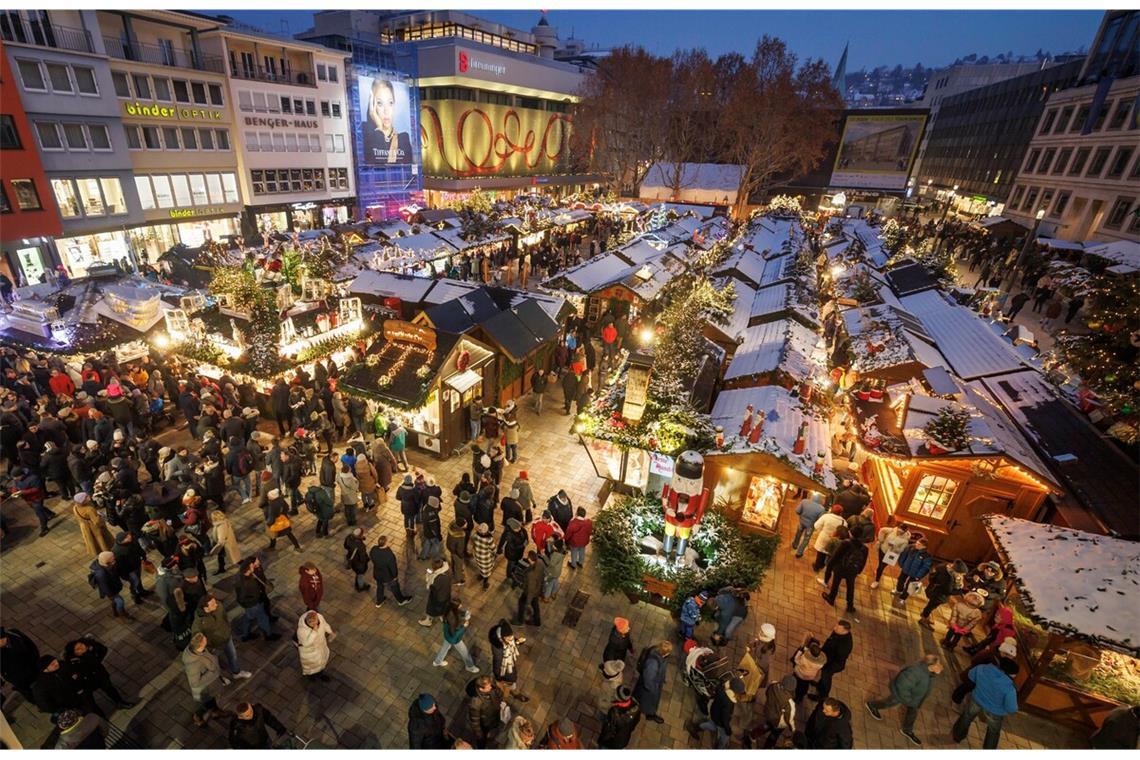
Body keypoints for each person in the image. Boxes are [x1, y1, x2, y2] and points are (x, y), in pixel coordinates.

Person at [865, 654, 943, 745]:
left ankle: (907, 729)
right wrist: (908, 700)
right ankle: (872, 705)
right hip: (903, 695)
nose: (940, 666)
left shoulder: (929, 673)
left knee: (912, 712)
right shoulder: (915, 672)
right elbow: (902, 685)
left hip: (914, 698)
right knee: (890, 702)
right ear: (931, 665)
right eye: (938, 664)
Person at [951, 658, 1019, 749]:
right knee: (993, 731)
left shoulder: (982, 668)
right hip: (995, 712)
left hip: (977, 699)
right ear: (1009, 673)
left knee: (966, 717)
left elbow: (971, 675)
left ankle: (957, 735)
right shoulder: (1009, 688)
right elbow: (1011, 708)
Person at [62, 636, 136, 710]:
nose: (82, 648)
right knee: (90, 701)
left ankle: (120, 702)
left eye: (81, 645)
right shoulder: (73, 662)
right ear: (74, 653)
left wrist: (94, 646)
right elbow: (83, 670)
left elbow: (103, 650)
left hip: (100, 675)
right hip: (87, 682)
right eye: (78, 649)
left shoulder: (91, 649)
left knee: (109, 689)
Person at [191, 595, 252, 683]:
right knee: (215, 664)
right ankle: (221, 678)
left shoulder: (218, 606)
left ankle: (236, 672)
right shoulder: (199, 624)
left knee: (233, 656)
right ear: (206, 608)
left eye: (215, 602)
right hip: (214, 646)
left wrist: (227, 629)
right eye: (212, 604)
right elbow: (198, 639)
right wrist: (210, 648)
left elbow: (224, 617)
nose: (216, 604)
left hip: (226, 638)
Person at [182, 633, 229, 728]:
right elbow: (195, 682)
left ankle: (215, 711)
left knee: (212, 700)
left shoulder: (199, 651)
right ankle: (198, 717)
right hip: (204, 690)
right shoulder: (193, 665)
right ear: (201, 644)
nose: (207, 640)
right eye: (205, 639)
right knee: (205, 705)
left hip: (209, 687)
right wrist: (212, 672)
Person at [362, 79, 413, 164]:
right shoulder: (364, 133)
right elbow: (377, 165)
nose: (386, 111)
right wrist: (379, 128)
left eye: (390, 103)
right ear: (372, 106)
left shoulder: (403, 139)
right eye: (380, 103)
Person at [822, 534, 869, 619]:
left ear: (851, 533)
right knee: (850, 586)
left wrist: (830, 565)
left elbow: (837, 555)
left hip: (841, 567)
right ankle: (850, 605)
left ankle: (831, 598)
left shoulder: (846, 543)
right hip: (852, 570)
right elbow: (863, 561)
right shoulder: (865, 548)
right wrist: (858, 571)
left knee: (836, 583)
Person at [690, 676, 744, 749]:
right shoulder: (728, 703)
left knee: (713, 726)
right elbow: (725, 718)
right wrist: (728, 730)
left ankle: (695, 727)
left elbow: (718, 688)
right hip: (719, 721)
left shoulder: (721, 690)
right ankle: (719, 748)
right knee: (725, 736)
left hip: (714, 713)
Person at [433, 600, 481, 673]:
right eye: (459, 605)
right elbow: (455, 632)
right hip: (454, 639)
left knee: (445, 648)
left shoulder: (447, 610)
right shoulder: (453, 619)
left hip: (447, 635)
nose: (461, 606)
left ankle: (437, 661)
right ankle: (470, 666)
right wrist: (464, 626)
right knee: (464, 652)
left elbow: (456, 613)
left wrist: (464, 614)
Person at [919, 559, 968, 629]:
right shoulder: (948, 577)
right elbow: (948, 591)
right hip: (938, 594)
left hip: (934, 590)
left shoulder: (945, 566)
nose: (962, 575)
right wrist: (961, 591)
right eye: (961, 573)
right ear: (956, 571)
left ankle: (925, 615)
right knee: (931, 606)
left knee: (931, 605)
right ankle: (923, 618)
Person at [633, 640, 671, 724]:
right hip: (650, 688)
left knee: (646, 701)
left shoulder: (657, 653)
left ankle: (648, 713)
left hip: (654, 683)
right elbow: (648, 679)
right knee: (647, 702)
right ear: (665, 653)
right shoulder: (653, 663)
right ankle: (649, 714)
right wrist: (654, 688)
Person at [489, 619, 528, 702]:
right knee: (506, 689)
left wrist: (518, 642)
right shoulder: (498, 650)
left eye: (511, 635)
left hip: (510, 669)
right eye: (509, 637)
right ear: (502, 637)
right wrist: (498, 678)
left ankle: (514, 692)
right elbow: (497, 665)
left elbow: (512, 644)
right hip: (505, 674)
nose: (512, 638)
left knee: (513, 682)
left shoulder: (507, 640)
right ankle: (504, 701)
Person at [369, 535, 413, 607]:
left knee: (380, 587)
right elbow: (393, 567)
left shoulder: (374, 549)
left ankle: (379, 601)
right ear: (385, 543)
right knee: (395, 587)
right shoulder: (389, 555)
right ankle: (400, 600)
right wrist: (395, 576)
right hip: (388, 576)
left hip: (378, 574)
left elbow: (372, 557)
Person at [0, 627, 41, 701]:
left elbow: (31, 647)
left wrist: (37, 662)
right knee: (28, 692)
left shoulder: (14, 634)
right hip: (19, 679)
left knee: (41, 683)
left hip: (32, 667)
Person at [465, 675, 505, 749]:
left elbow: (500, 694)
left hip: (495, 715)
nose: (491, 687)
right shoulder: (475, 703)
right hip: (486, 723)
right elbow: (475, 722)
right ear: (481, 689)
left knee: (495, 725)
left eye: (490, 685)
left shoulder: (491, 686)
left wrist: (500, 699)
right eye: (488, 687)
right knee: (482, 739)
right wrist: (479, 735)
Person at [817, 619, 853, 701]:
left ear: (845, 630)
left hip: (834, 664)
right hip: (828, 659)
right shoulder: (837, 632)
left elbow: (839, 658)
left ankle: (823, 695)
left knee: (826, 676)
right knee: (823, 675)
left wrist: (826, 664)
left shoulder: (845, 645)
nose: (834, 628)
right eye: (836, 625)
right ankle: (819, 686)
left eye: (838, 627)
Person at [598, 685, 642, 749]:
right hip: (623, 740)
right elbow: (636, 722)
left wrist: (601, 741)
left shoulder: (614, 713)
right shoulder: (636, 706)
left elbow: (608, 731)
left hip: (610, 743)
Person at [296, 610, 336, 682]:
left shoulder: (320, 617)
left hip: (320, 647)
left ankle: (320, 674)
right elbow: (306, 643)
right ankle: (311, 676)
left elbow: (325, 625)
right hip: (310, 652)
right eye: (311, 623)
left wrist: (330, 632)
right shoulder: (301, 630)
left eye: (315, 622)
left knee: (321, 662)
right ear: (308, 622)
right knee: (312, 666)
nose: (315, 624)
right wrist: (314, 632)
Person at [894, 538, 933, 605]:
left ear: (924, 546)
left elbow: (925, 567)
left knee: (910, 586)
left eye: (919, 544)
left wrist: (919, 576)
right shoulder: (911, 548)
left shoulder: (927, 555)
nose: (916, 544)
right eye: (917, 542)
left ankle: (903, 598)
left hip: (915, 574)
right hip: (906, 568)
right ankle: (899, 590)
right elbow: (904, 555)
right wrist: (901, 564)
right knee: (900, 580)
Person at [871, 523, 911, 588]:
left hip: (892, 555)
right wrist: (881, 540)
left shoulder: (905, 540)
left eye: (901, 532)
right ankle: (877, 576)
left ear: (904, 532)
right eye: (898, 530)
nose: (898, 532)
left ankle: (877, 578)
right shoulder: (892, 530)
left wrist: (894, 546)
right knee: (880, 565)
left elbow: (901, 550)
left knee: (882, 566)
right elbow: (882, 530)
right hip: (883, 550)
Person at [792, 634, 828, 704]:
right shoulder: (820, 663)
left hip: (800, 674)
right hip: (809, 677)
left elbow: (796, 660)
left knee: (798, 684)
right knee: (804, 685)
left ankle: (796, 695)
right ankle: (801, 696)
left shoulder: (805, 658)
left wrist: (800, 651)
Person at [811, 505, 847, 573]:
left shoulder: (826, 516)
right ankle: (823, 565)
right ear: (841, 513)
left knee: (820, 552)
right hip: (834, 540)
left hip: (824, 537)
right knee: (829, 553)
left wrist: (822, 530)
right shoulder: (844, 522)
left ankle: (817, 566)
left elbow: (816, 526)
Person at [420, 559, 452, 627]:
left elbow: (431, 587)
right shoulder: (447, 571)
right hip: (446, 594)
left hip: (438, 597)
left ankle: (428, 621)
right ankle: (442, 617)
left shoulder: (437, 578)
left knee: (431, 608)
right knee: (444, 607)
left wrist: (428, 576)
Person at [793, 493, 825, 558]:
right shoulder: (821, 508)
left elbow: (797, 511)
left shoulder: (804, 501)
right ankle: (799, 553)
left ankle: (795, 545)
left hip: (801, 522)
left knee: (798, 533)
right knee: (806, 539)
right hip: (810, 526)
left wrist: (802, 515)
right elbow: (819, 520)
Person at [343, 527, 371, 593]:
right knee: (360, 575)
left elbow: (345, 546)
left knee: (357, 574)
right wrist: (367, 560)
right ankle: (360, 587)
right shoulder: (361, 546)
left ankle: (357, 584)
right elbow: (362, 558)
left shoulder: (349, 537)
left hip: (351, 560)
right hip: (358, 564)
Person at [472, 522, 497, 590]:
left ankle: (481, 575)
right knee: (487, 570)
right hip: (486, 558)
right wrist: (495, 554)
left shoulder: (475, 535)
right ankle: (485, 582)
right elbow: (493, 549)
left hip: (477, 555)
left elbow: (473, 544)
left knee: (480, 566)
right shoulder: (489, 539)